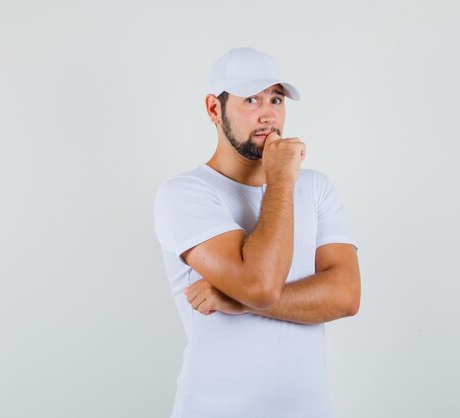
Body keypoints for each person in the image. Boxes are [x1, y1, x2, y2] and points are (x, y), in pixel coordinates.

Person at [153, 47, 361, 418]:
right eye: (251, 99)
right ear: (214, 110)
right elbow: (261, 285)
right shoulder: (184, 193)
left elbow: (346, 296)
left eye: (276, 99)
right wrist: (280, 178)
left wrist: (237, 300)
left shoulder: (316, 187)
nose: (269, 114)